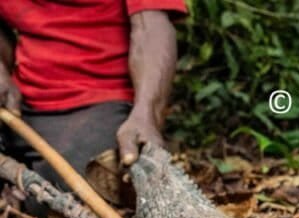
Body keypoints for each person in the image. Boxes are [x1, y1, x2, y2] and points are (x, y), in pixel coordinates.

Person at [0, 1, 187, 199]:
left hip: (101, 102)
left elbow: (151, 26)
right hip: (18, 101)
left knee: (75, 189)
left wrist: (146, 114)